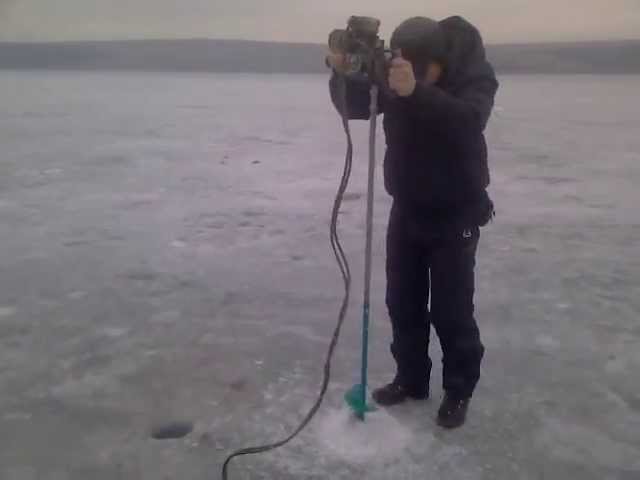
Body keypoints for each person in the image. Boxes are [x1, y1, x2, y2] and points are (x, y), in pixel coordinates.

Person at [326, 16, 499, 429]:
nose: (416, 77)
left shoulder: (473, 78)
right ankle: (412, 378)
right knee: (403, 301)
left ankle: (458, 389)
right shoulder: (398, 74)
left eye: (425, 71)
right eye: (410, 70)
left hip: (456, 209)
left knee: (451, 310)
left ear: (440, 62)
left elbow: (469, 122)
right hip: (408, 207)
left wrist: (415, 91)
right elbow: (353, 107)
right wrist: (341, 70)